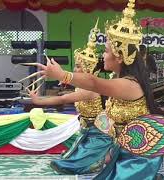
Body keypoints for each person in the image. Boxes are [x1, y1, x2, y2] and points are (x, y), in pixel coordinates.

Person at [36, 1, 163, 179]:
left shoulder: (129, 84)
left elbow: (94, 83)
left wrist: (62, 74)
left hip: (139, 158)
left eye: (106, 51)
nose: (102, 55)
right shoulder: (117, 79)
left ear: (120, 56)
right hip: (124, 152)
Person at [24, 20, 115, 175]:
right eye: (76, 65)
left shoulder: (90, 89)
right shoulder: (82, 86)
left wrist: (38, 101)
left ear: (88, 69)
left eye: (79, 66)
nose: (74, 68)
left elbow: (63, 100)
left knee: (75, 165)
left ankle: (108, 157)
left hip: (98, 133)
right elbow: (67, 95)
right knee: (69, 158)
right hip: (87, 130)